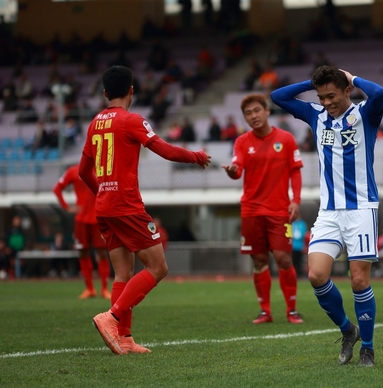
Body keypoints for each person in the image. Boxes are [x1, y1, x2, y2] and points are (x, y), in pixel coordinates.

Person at [79, 65, 211, 355]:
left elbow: (83, 171)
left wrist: (102, 192)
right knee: (158, 267)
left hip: (104, 207)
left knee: (122, 273)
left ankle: (124, 339)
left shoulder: (94, 123)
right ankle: (111, 317)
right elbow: (164, 149)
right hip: (126, 205)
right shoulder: (131, 120)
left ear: (105, 93)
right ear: (132, 90)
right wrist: (196, 156)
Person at [271, 66, 383, 366]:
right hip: (329, 212)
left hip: (361, 208)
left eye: (331, 96)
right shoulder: (316, 115)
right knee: (316, 275)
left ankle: (368, 349)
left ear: (347, 90)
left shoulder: (366, 113)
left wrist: (353, 78)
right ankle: (348, 330)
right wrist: (312, 84)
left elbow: (379, 92)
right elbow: (278, 96)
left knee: (358, 279)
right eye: (321, 97)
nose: (326, 102)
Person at [222, 94, 304, 325]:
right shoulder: (242, 142)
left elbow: (295, 171)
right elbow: (237, 168)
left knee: (283, 259)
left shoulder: (286, 139)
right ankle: (265, 311)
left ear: (267, 111)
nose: (253, 116)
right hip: (251, 210)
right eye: (248, 113)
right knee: (259, 261)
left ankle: (291, 310)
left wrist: (296, 200)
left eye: (257, 110)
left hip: (280, 210)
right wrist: (232, 172)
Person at [53, 164, 112, 299]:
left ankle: (104, 289)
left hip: (99, 218)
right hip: (81, 220)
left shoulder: (104, 168)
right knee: (83, 252)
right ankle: (90, 289)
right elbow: (57, 188)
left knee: (102, 253)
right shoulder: (74, 171)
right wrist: (67, 207)